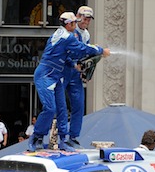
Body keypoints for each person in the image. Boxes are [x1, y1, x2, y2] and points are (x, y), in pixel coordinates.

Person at [31, 11, 110, 152]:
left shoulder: (62, 34)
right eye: (74, 22)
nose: (77, 24)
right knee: (50, 108)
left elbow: (63, 54)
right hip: (45, 75)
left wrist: (74, 65)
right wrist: (100, 50)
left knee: (62, 109)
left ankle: (64, 140)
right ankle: (36, 137)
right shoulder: (67, 37)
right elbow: (82, 49)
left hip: (56, 76)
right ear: (68, 24)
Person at [65, 5, 96, 147]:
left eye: (89, 19)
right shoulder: (71, 31)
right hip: (64, 69)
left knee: (78, 104)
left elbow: (86, 55)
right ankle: (59, 136)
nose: (86, 21)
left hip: (76, 73)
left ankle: (73, 136)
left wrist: (87, 71)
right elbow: (66, 51)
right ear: (78, 16)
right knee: (57, 105)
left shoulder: (86, 34)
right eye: (84, 18)